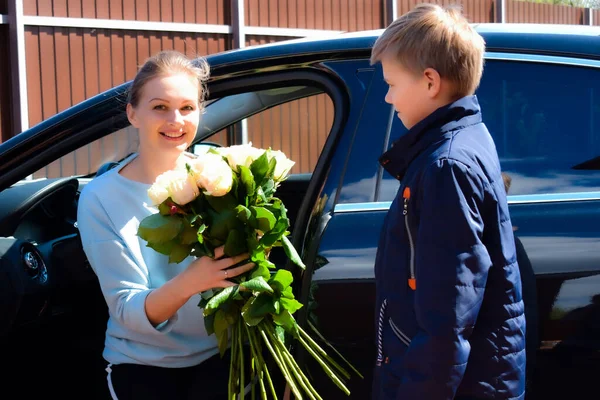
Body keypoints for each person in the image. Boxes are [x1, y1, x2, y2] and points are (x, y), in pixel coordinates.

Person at [77, 50, 254, 400]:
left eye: (187, 108)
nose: (176, 120)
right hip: (142, 362)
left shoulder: (221, 174)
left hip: (221, 354)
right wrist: (192, 281)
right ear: (133, 113)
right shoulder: (101, 197)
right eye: (160, 107)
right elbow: (127, 309)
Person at [369, 4, 526, 400]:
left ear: (429, 81)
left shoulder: (446, 166)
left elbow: (448, 317)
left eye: (392, 83)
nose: (388, 97)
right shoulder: (466, 137)